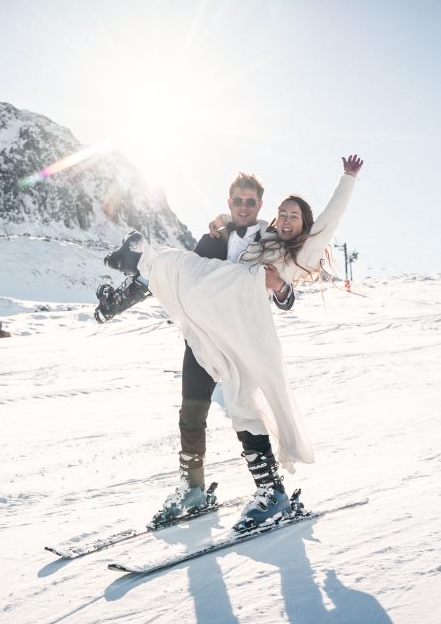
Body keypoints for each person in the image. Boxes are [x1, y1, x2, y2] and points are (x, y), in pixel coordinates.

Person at [102, 154, 364, 531]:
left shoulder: (285, 246)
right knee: (191, 413)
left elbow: (314, 246)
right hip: (206, 335)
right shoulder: (221, 235)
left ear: (260, 207)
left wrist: (348, 179)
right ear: (231, 204)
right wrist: (222, 226)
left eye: (293, 215)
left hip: (243, 333)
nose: (286, 219)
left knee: (245, 407)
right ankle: (192, 489)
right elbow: (188, 283)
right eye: (283, 214)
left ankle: (271, 490)